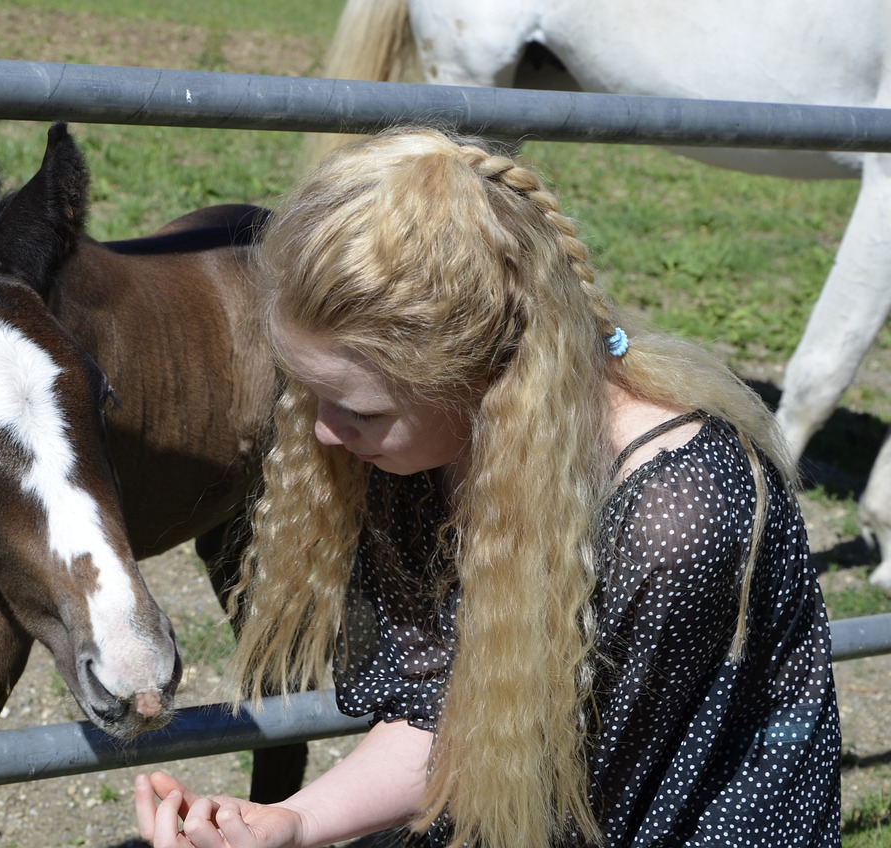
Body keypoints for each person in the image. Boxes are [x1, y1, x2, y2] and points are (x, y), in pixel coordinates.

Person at [134, 127, 841, 848]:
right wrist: (295, 820)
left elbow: (578, 802)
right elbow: (446, 714)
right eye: (311, 396)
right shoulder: (422, 451)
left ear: (478, 377)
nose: (321, 433)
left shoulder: (678, 519)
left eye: (358, 408)